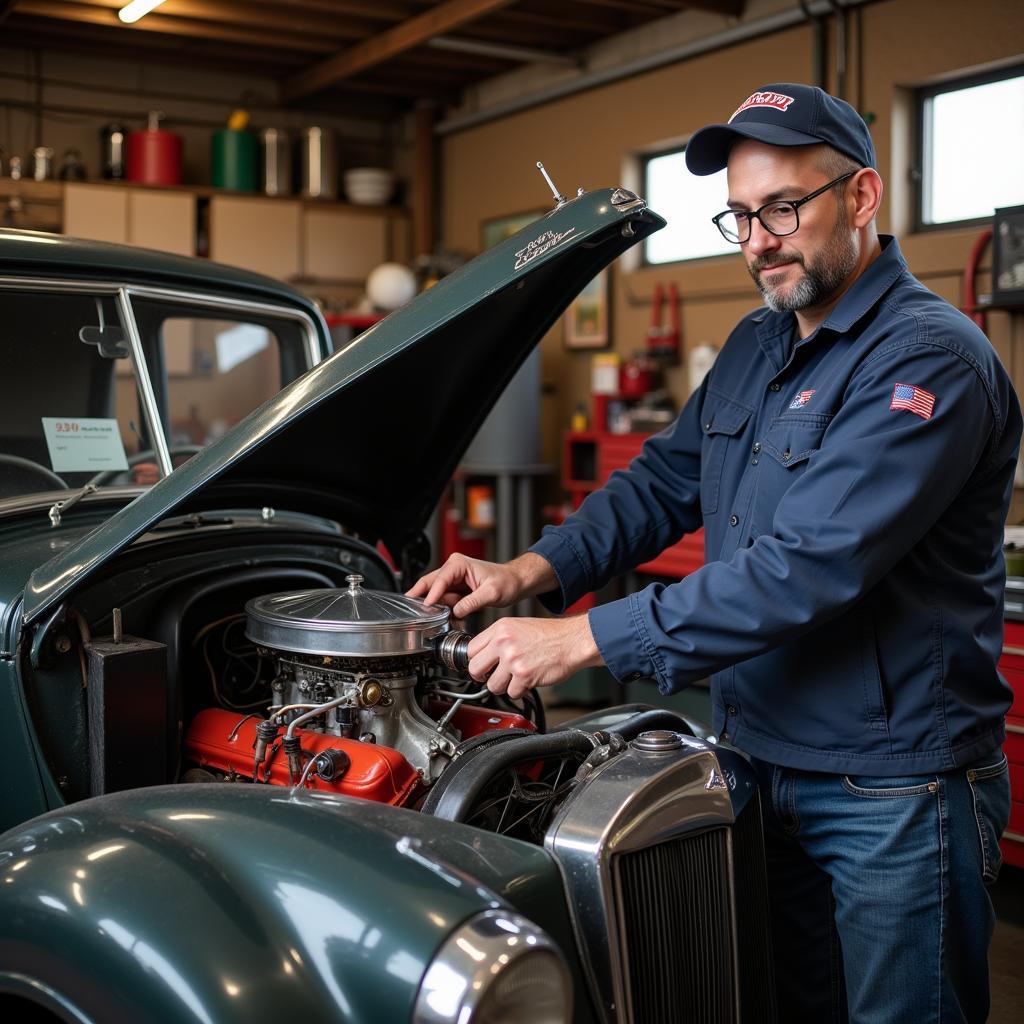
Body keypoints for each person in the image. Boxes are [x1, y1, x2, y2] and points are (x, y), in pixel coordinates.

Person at [409, 83, 1020, 1024]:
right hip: (755, 759)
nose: (756, 241)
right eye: (739, 215)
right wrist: (526, 573)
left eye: (783, 208)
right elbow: (661, 483)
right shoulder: (755, 343)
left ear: (861, 197)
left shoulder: (927, 361)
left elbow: (809, 566)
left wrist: (584, 640)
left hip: (892, 788)